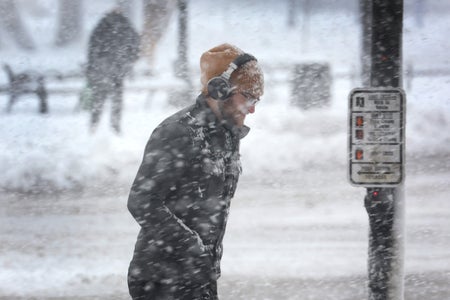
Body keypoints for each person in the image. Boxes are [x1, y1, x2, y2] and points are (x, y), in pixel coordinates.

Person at [127, 43, 264, 299]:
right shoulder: (178, 132)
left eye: (256, 99)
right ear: (220, 89)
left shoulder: (226, 135)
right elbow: (141, 201)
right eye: (248, 96)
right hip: (161, 280)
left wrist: (204, 262)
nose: (253, 108)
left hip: (198, 278)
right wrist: (192, 247)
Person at [86, 9, 140, 134]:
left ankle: (94, 125)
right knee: (117, 100)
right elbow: (135, 44)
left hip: (102, 69)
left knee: (98, 99)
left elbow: (93, 47)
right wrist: (129, 59)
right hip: (118, 70)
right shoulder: (125, 25)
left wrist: (93, 65)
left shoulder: (102, 26)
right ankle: (115, 126)